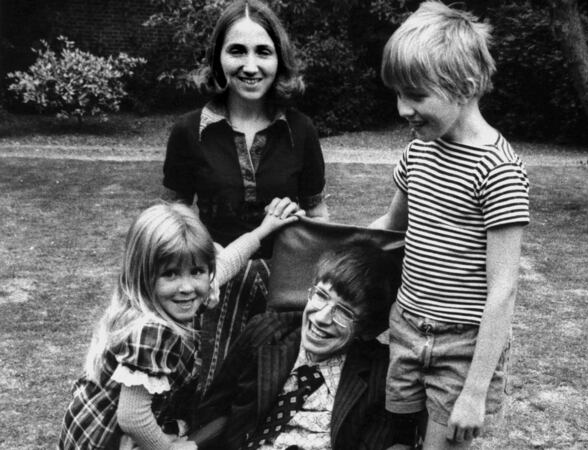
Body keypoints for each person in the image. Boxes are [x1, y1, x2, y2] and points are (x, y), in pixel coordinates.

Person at [370, 2, 531, 449]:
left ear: (465, 86)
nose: (403, 109)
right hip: (404, 330)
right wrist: (326, 251)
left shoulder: (497, 170)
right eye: (397, 94)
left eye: (416, 95)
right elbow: (389, 226)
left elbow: (503, 290)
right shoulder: (418, 152)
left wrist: (475, 391)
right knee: (396, 442)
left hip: (461, 349)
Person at [161, 0, 329, 397]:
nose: (250, 65)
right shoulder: (189, 131)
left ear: (279, 60)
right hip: (214, 285)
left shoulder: (301, 130)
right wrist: (199, 252)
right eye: (237, 50)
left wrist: (322, 280)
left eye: (263, 52)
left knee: (271, 394)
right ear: (218, 58)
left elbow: (318, 212)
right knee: (209, 392)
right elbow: (173, 213)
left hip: (285, 291)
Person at [58, 199, 302, 450]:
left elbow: (228, 261)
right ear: (143, 275)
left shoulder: (186, 294)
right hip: (104, 439)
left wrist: (263, 230)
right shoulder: (153, 329)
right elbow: (132, 418)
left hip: (98, 425)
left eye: (196, 271)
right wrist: (169, 448)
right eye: (170, 274)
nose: (186, 287)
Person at [188, 240, 416, 450]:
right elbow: (214, 408)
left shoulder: (379, 375)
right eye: (322, 296)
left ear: (366, 330)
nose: (321, 318)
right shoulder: (266, 332)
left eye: (344, 312)